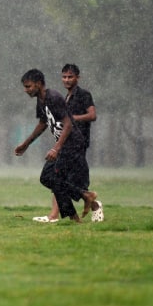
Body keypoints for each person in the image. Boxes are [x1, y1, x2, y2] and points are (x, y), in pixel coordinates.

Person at [14, 69, 97, 223]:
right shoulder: (41, 100)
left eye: (28, 86)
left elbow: (68, 125)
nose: (26, 90)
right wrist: (26, 144)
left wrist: (56, 148)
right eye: (25, 87)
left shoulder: (53, 97)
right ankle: (84, 197)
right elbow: (42, 123)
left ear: (39, 84)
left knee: (51, 178)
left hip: (72, 144)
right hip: (64, 145)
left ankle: (77, 211)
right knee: (49, 178)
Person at [34, 64, 103, 223]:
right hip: (66, 143)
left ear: (78, 78)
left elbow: (92, 115)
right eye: (64, 77)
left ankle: (91, 203)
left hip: (78, 144)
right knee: (58, 177)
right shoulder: (65, 98)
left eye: (70, 77)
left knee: (60, 178)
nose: (66, 80)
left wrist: (72, 119)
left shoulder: (84, 95)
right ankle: (59, 213)